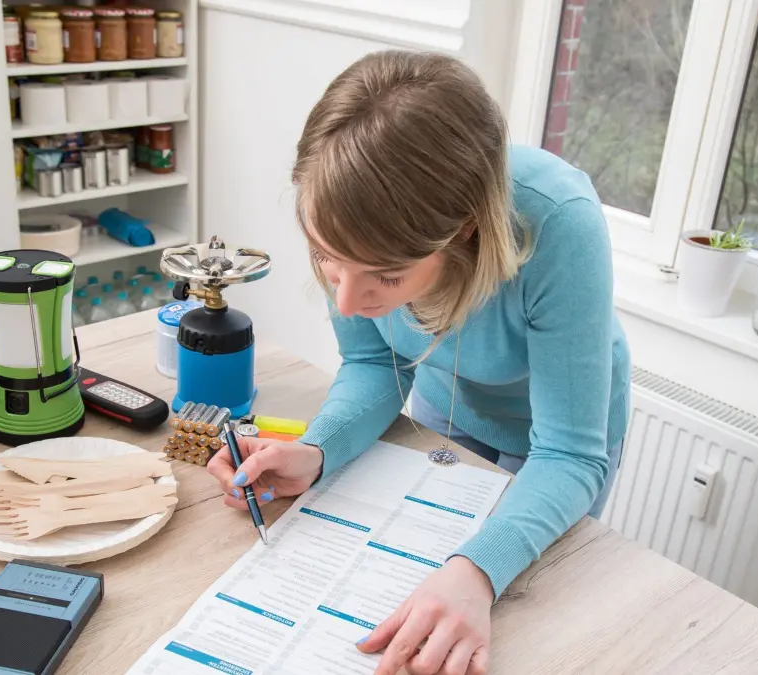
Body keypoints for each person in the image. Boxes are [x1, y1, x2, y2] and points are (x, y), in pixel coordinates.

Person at [207, 50, 631, 675]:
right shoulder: (343, 207)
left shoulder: (559, 224)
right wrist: (319, 450)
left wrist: (477, 572)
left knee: (531, 622)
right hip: (446, 394)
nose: (348, 299)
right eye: (326, 257)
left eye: (386, 274)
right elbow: (375, 365)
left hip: (555, 435)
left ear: (461, 230)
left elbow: (569, 454)